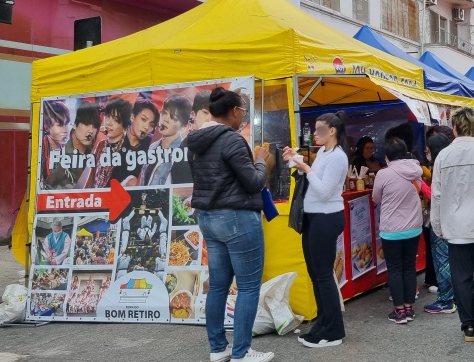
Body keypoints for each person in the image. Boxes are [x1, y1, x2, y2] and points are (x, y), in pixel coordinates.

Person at [188, 87, 271, 362]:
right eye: (242, 112)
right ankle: (242, 352)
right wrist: (261, 160)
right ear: (235, 111)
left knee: (219, 287)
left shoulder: (197, 142)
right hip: (237, 218)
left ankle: (218, 349)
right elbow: (254, 182)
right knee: (248, 287)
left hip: (209, 219)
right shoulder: (233, 141)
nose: (243, 117)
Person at [431, 106, 474, 343]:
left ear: (454, 128)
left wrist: (437, 224)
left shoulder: (443, 156)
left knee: (460, 278)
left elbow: (437, 194)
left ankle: (469, 326)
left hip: (455, 226)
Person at [283, 112, 349, 348]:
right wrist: (298, 163)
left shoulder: (338, 157)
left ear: (332, 131)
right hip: (313, 218)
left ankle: (333, 331)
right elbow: (314, 180)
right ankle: (323, 323)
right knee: (315, 275)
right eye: (314, 130)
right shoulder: (323, 153)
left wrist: (305, 168)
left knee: (322, 275)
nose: (316, 134)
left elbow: (324, 190)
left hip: (326, 218)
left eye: (319, 130)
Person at [372, 138, 424, 324]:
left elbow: (376, 198)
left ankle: (399, 311)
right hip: (413, 227)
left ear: (387, 157)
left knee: (394, 269)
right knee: (409, 267)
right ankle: (409, 308)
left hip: (391, 229)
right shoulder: (416, 171)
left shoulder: (383, 175)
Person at [423, 133, 457, 315]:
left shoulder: (439, 166)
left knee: (442, 260)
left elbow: (435, 195)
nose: (425, 153)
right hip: (457, 218)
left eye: (427, 149)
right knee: (454, 259)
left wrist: (421, 185)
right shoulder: (454, 164)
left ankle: (446, 300)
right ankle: (455, 295)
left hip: (442, 219)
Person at [45, 101, 101, 189]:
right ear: (74, 124)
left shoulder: (97, 153)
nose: (91, 130)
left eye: (94, 126)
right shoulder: (60, 158)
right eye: (86, 124)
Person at [141, 95, 193, 186]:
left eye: (174, 118)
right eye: (164, 113)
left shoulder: (183, 153)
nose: (165, 119)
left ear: (183, 127)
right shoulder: (152, 148)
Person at [119, 98, 159, 186]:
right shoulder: (117, 140)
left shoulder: (152, 144)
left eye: (151, 125)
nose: (146, 127)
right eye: (143, 120)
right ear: (132, 117)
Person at [40, 100, 71, 189]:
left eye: (67, 124)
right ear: (47, 127)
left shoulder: (69, 149)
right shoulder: (40, 149)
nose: (65, 130)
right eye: (60, 125)